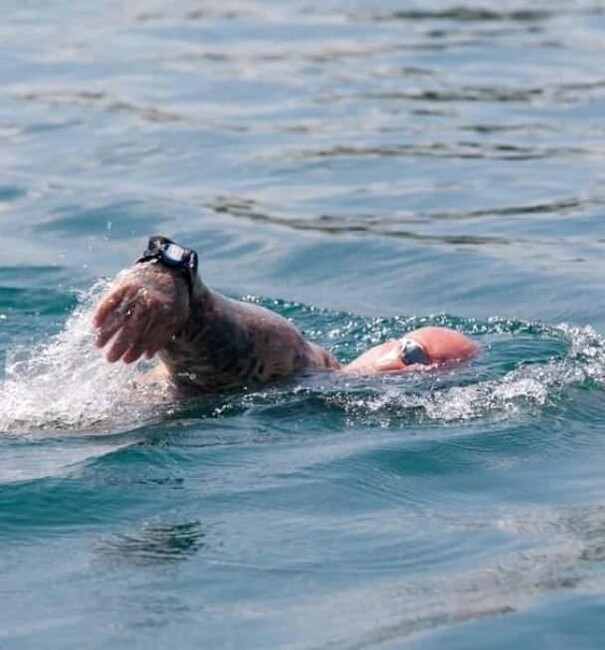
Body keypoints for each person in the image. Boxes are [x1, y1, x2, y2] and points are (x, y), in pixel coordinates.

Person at [93, 236, 477, 393]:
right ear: (386, 344)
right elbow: (262, 348)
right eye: (413, 353)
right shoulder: (312, 368)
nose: (405, 371)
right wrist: (175, 272)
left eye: (425, 376)